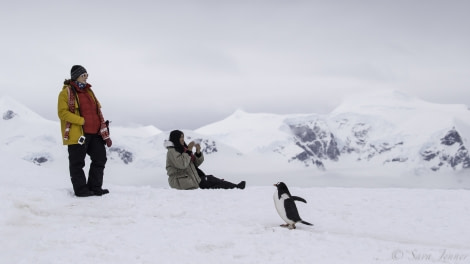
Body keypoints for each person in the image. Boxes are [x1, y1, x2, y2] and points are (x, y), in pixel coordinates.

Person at [57, 65, 112, 197]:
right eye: (83, 75)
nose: (86, 78)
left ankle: (95, 187)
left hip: (95, 133)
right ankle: (81, 190)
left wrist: (103, 128)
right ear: (76, 76)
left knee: (100, 159)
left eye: (87, 75)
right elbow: (62, 113)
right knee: (77, 163)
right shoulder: (66, 92)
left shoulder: (89, 92)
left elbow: (97, 111)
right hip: (78, 134)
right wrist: (81, 120)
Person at [164, 130, 246, 190]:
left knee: (211, 180)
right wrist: (189, 151)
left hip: (189, 179)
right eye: (180, 137)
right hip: (181, 181)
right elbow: (182, 164)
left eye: (183, 137)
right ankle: (236, 187)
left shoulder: (182, 149)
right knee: (210, 181)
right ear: (175, 138)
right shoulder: (172, 151)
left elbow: (194, 164)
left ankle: (235, 187)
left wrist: (198, 152)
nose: (182, 139)